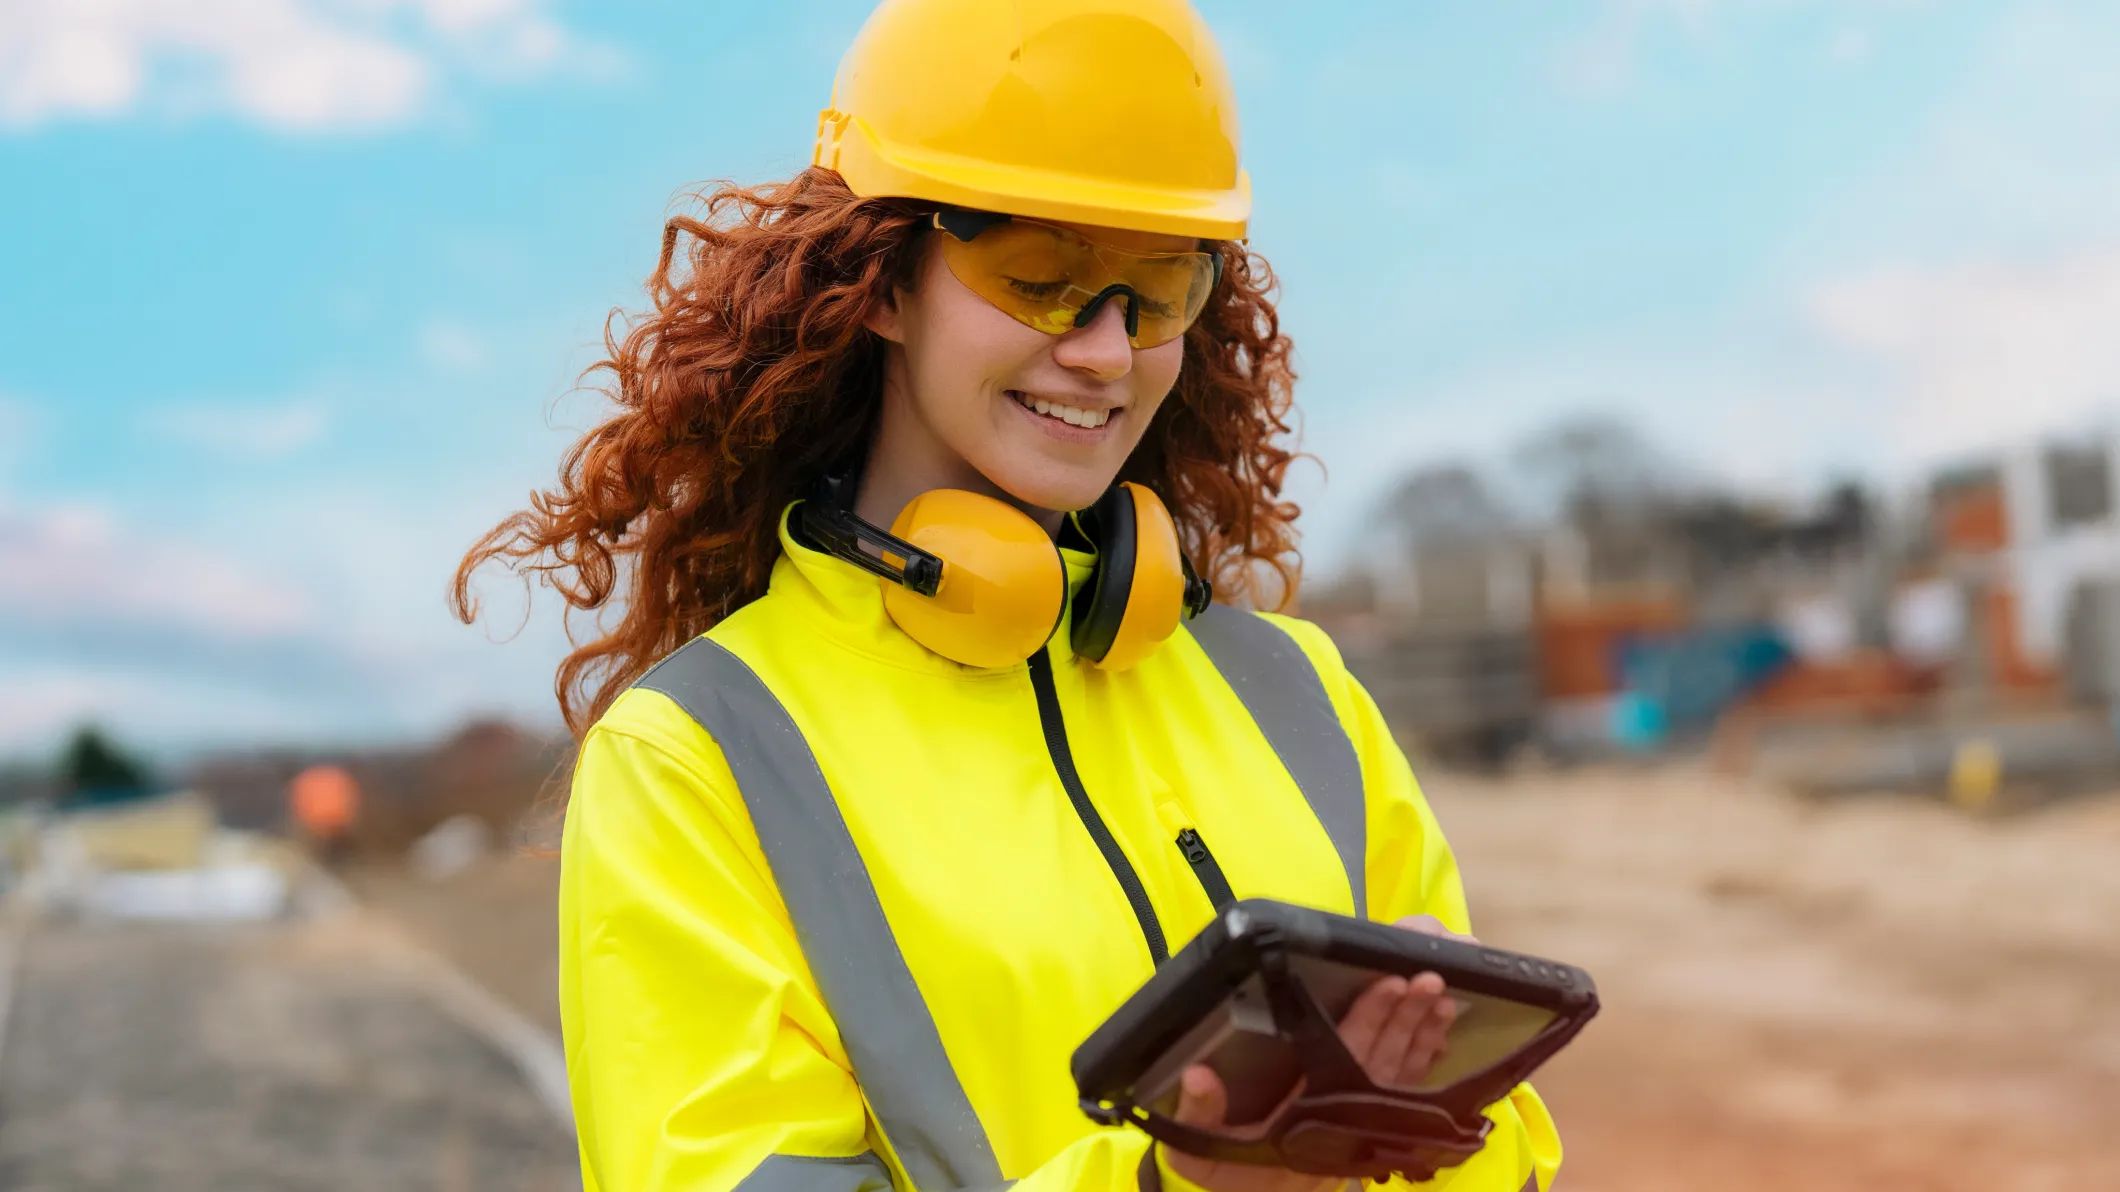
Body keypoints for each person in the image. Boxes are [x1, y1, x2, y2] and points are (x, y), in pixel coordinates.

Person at [455, 1, 1562, 1189]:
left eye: (1156, 289)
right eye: (1041, 278)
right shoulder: (701, 761)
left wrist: (1407, 1139)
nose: (1101, 349)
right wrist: (1173, 1181)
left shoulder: (1299, 696)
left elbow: (1515, 1151)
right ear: (877, 282)